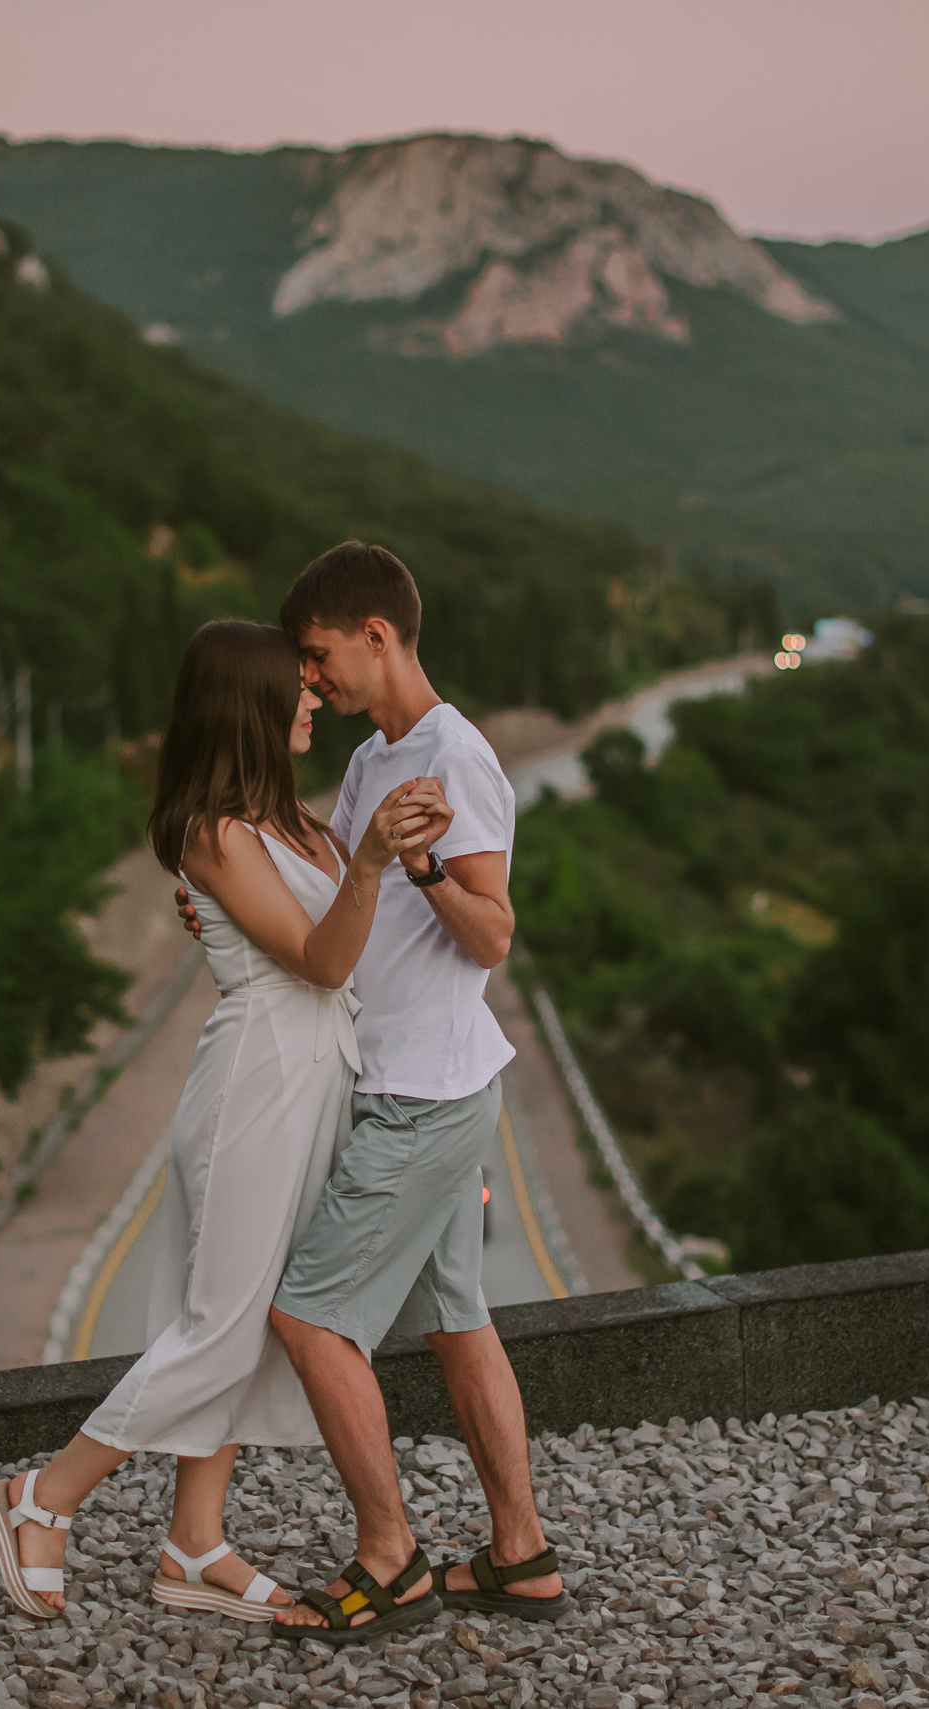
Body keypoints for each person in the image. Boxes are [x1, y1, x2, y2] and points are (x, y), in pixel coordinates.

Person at [0, 618, 445, 1624]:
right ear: (251, 702)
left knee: (258, 1322)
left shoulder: (300, 826)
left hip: (318, 1076)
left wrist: (375, 862)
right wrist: (364, 865)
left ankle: (195, 1541)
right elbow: (319, 961)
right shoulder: (216, 830)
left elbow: (351, 951)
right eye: (298, 686)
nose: (314, 696)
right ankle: (42, 1495)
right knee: (218, 1325)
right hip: (258, 1080)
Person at [182, 542, 569, 1646]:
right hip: (405, 1076)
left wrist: (429, 869)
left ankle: (389, 1559)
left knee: (308, 1317)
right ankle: (519, 1554)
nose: (310, 679)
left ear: (377, 636)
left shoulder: (456, 756)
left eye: (317, 656)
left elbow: (494, 931)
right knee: (456, 1322)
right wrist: (212, 899)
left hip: (424, 1091)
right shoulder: (371, 759)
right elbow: (323, 881)